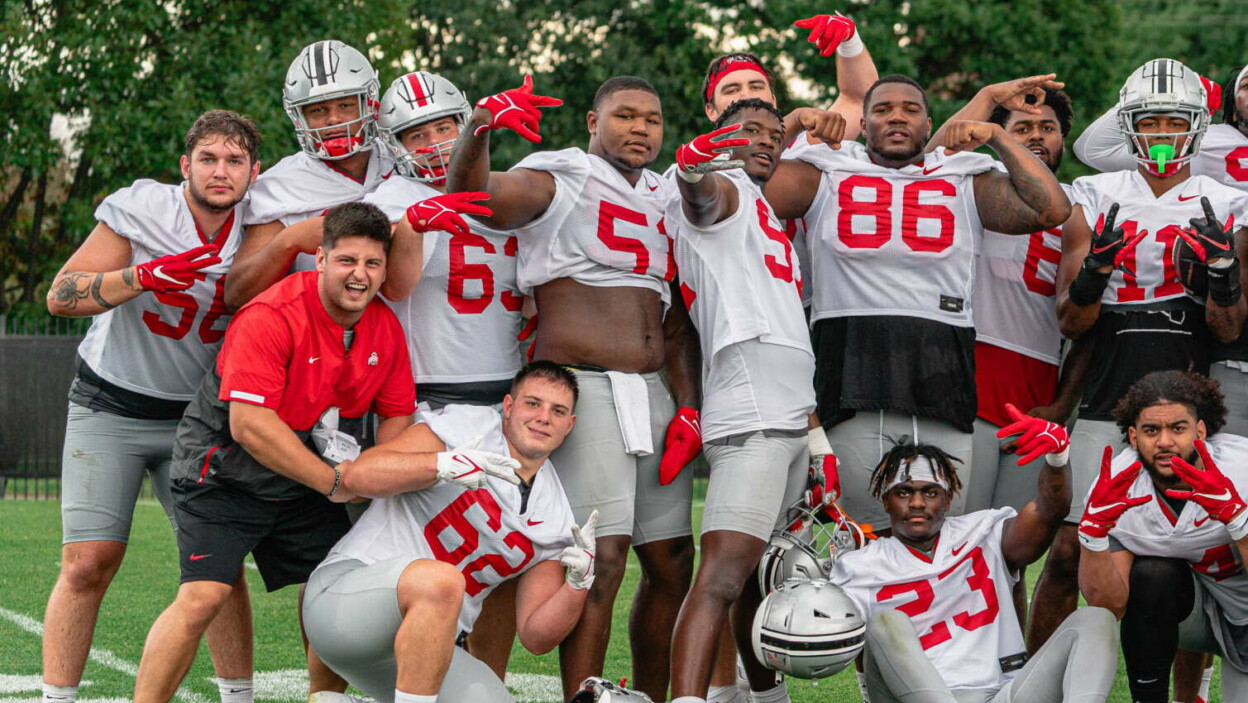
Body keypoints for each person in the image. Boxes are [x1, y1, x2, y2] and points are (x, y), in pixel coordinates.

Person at [446, 75, 701, 700]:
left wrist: (689, 405)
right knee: (599, 561)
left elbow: (673, 324)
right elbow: (472, 193)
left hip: (653, 396)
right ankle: (582, 696)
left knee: (671, 564)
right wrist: (479, 124)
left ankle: (646, 695)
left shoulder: (667, 197)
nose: (640, 128)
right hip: (586, 392)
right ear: (592, 122)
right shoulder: (563, 175)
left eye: (652, 118)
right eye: (625, 116)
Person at [131, 202, 417, 703]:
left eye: (373, 264)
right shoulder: (272, 312)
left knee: (332, 595)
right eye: (347, 260)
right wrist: (336, 484)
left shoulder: (385, 326)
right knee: (203, 595)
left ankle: (323, 699)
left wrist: (375, 472)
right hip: (223, 470)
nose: (361, 275)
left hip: (303, 472)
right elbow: (250, 426)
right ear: (321, 259)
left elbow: (396, 412)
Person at [762, 74, 1071, 533]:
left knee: (948, 537)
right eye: (883, 110)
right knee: (863, 536)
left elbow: (1051, 209)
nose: (896, 117)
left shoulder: (963, 176)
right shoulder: (824, 170)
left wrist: (1000, 137)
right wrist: (789, 123)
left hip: (940, 379)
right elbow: (744, 185)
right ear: (863, 124)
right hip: (851, 375)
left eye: (910, 109)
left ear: (931, 127)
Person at [1030, 59, 1248, 677]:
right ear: (1127, 125)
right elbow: (1071, 322)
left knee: (1197, 545)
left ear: (1198, 127)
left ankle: (1189, 684)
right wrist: (1095, 271)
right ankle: (1038, 677)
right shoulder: (1094, 193)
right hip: (1109, 375)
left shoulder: (1232, 203)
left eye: (1172, 121)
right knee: (1072, 549)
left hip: (1193, 382)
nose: (1159, 133)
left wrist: (1224, 276)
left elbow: (1230, 327)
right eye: (1147, 120)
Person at [42, 110, 260, 703]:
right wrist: (141, 276)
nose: (221, 172)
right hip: (110, 402)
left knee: (216, 568)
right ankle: (56, 698)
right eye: (209, 159)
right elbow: (61, 295)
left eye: (235, 160)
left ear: (254, 171)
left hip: (198, 417)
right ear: (185, 166)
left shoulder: (264, 222)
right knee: (88, 561)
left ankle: (237, 695)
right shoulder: (144, 209)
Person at [303, 361, 594, 703]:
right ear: (509, 406)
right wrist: (440, 465)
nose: (544, 417)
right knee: (442, 581)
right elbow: (356, 477)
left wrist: (579, 584)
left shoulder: (554, 515)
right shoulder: (466, 428)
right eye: (533, 403)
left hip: (425, 650)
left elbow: (536, 636)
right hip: (347, 606)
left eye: (557, 411)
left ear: (569, 425)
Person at [365, 69, 528, 678]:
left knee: (507, 553)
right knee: (409, 558)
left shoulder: (514, 194)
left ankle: (485, 685)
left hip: (507, 400)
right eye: (415, 134)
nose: (434, 142)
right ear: (392, 145)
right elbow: (392, 284)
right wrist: (416, 222)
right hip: (426, 401)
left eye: (445, 127)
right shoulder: (384, 204)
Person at [663, 99, 819, 703]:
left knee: (761, 580)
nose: (766, 141)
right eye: (749, 130)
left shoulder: (763, 207)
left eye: (774, 134)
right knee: (721, 579)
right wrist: (692, 170)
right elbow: (702, 201)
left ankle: (764, 696)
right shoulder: (725, 188)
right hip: (751, 415)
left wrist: (815, 435)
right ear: (720, 136)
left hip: (786, 416)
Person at [829, 424, 1119, 703]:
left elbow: (1048, 510)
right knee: (885, 622)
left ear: (947, 500)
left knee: (1096, 618)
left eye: (930, 492)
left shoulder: (984, 531)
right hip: (907, 696)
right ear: (886, 501)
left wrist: (1057, 461)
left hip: (1002, 692)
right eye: (904, 492)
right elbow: (827, 643)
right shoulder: (858, 565)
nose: (917, 503)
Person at [1077, 369, 1248, 702]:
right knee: (1153, 574)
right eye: (1151, 430)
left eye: (1178, 428)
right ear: (1133, 435)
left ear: (1201, 430)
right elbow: (1109, 605)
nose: (1165, 442)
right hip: (1204, 617)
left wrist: (1238, 519)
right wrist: (1093, 536)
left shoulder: (1242, 469)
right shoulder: (1116, 488)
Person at [226, 39, 399, 310]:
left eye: (345, 105)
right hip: (320, 334)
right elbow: (236, 295)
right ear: (299, 118)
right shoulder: (281, 185)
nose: (333, 120)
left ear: (368, 104)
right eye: (318, 110)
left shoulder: (401, 159)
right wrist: (289, 241)